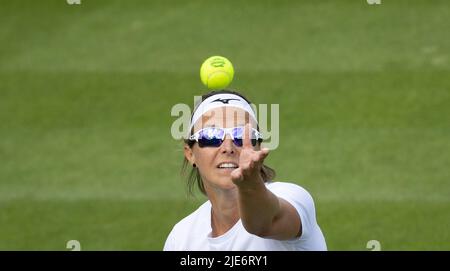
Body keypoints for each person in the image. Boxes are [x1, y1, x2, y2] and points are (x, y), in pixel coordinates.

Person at [164, 90, 327, 251]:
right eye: (210, 136)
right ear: (190, 154)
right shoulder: (181, 238)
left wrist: (249, 184)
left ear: (257, 147)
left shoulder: (294, 197)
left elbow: (265, 224)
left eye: (241, 136)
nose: (228, 148)